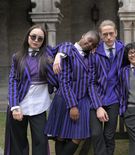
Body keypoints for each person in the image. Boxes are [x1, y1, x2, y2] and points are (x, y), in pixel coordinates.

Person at [44, 30, 100, 155]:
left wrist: (98, 106)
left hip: (83, 101)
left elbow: (91, 83)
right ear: (83, 36)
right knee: (61, 135)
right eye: (89, 40)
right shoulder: (67, 50)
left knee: (78, 136)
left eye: (93, 44)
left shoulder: (91, 58)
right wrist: (73, 105)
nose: (90, 44)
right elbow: (64, 81)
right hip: (65, 99)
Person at [4, 24, 57, 155]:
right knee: (18, 142)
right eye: (33, 37)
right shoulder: (17, 57)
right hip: (19, 104)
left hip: (40, 105)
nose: (36, 40)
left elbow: (67, 46)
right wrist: (15, 106)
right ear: (28, 37)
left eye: (40, 39)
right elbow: (13, 81)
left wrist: (60, 55)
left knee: (41, 140)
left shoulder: (48, 55)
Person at [89, 20, 125, 155]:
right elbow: (91, 82)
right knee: (96, 134)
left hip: (114, 98)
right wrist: (98, 106)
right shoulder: (94, 53)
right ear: (101, 36)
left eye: (111, 33)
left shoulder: (123, 50)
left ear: (116, 33)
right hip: (97, 97)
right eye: (105, 34)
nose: (108, 37)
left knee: (109, 135)